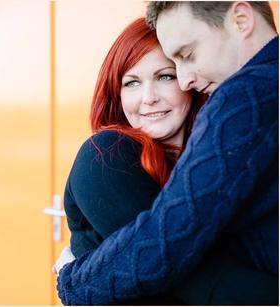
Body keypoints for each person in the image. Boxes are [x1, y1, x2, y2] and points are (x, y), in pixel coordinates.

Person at [55, 2, 278, 305]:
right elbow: (175, 257)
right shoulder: (107, 155)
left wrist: (72, 277)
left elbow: (170, 248)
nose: (148, 98)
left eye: (165, 76)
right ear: (115, 93)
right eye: (131, 83)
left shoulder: (242, 101)